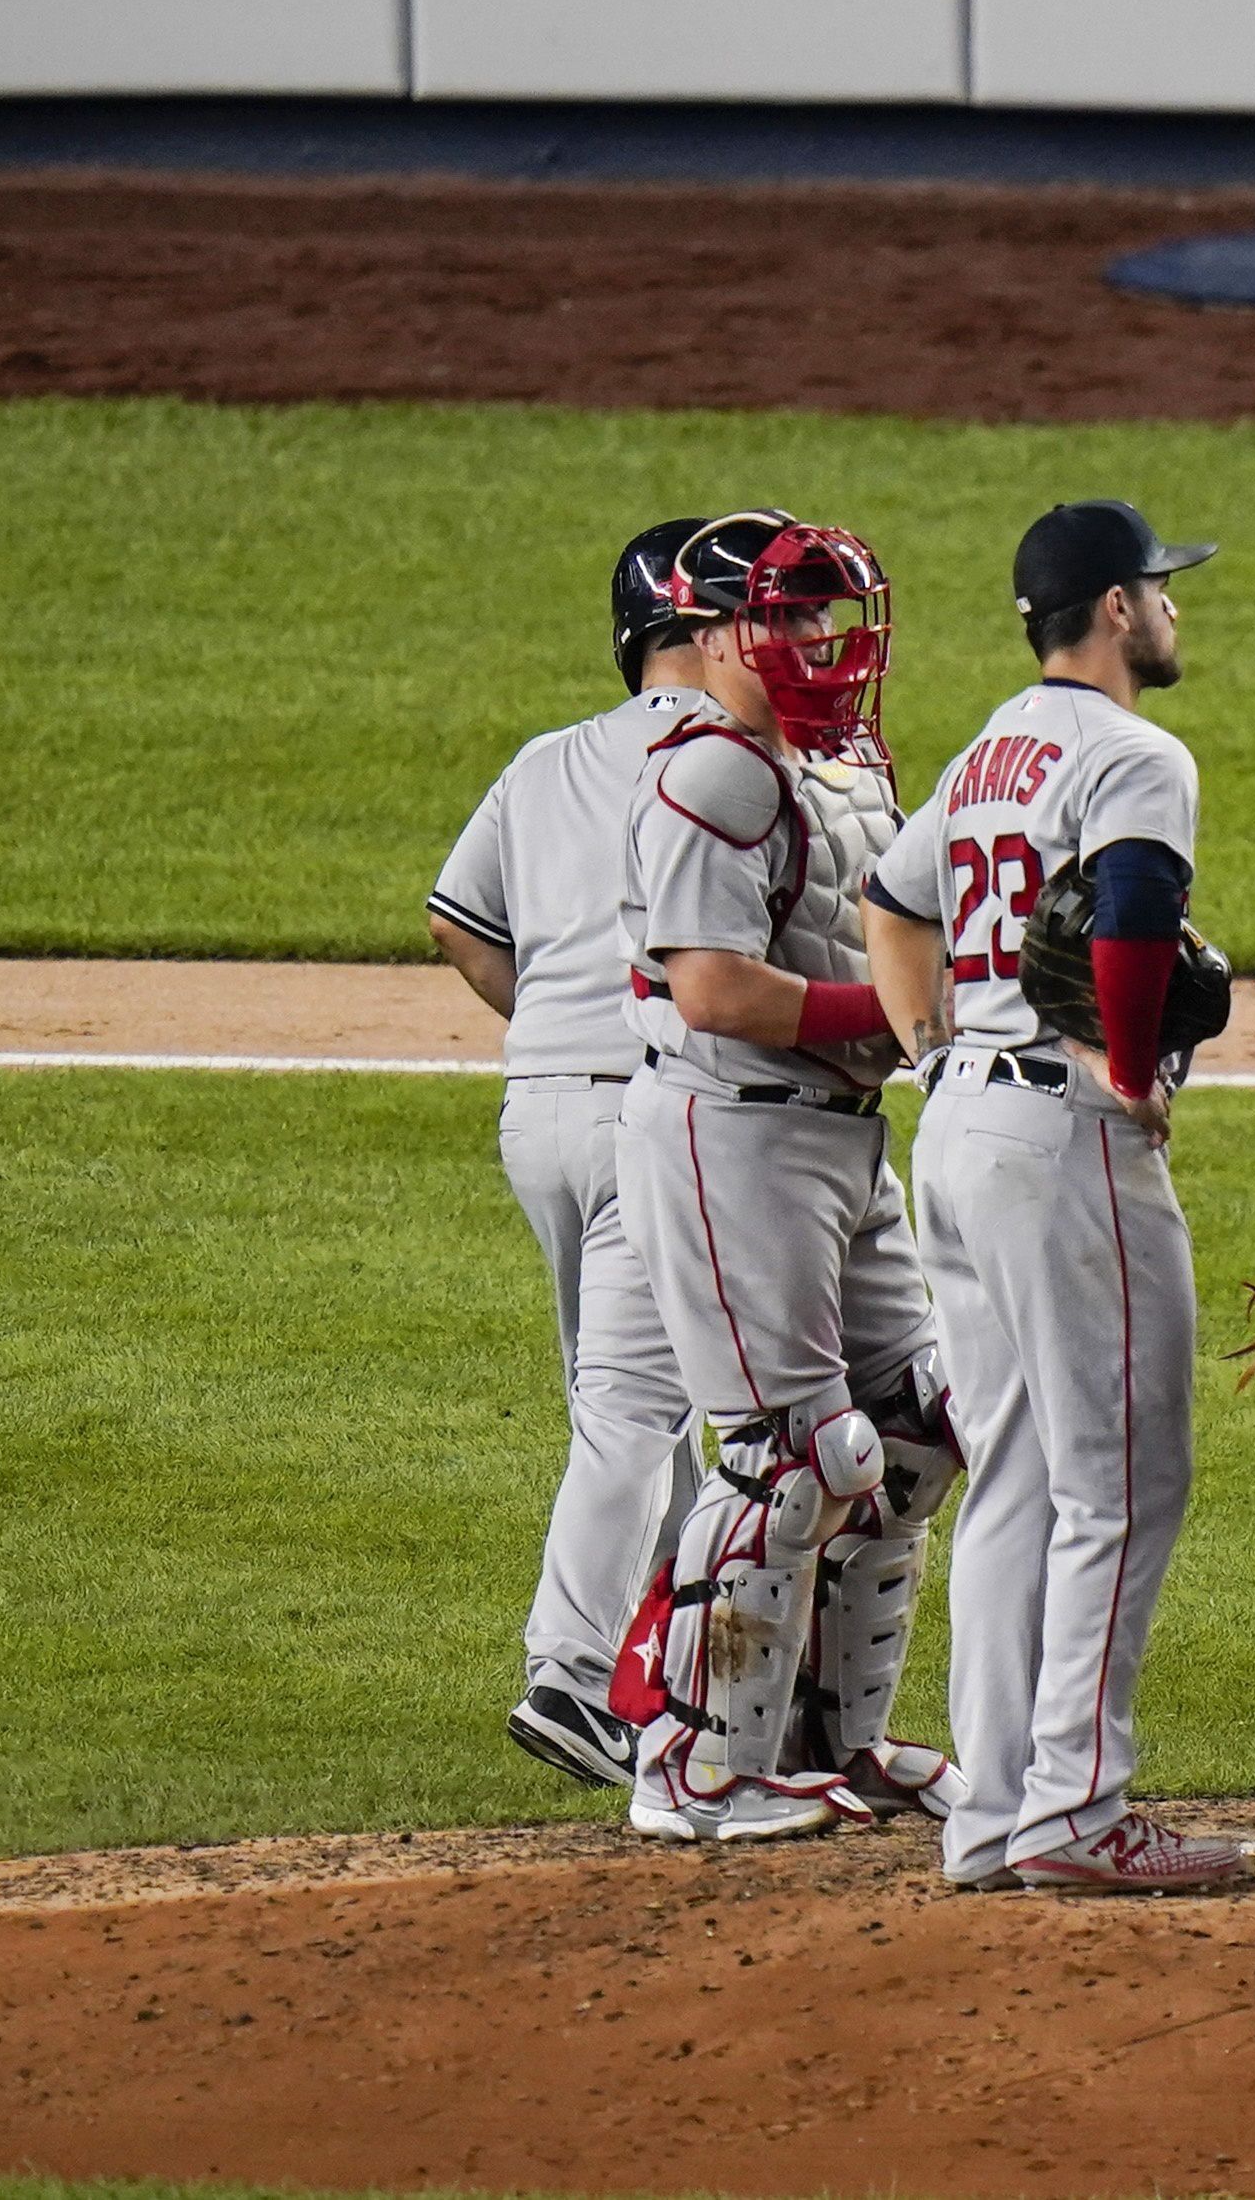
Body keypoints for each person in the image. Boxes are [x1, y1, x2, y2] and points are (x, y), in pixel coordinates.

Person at [863, 501, 1242, 1895]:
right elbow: (1136, 907)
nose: (1174, 613)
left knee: (1016, 1475)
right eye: (1161, 590)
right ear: (1114, 609)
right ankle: (1079, 1812)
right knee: (1125, 1480)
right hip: (1063, 1135)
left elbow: (889, 902)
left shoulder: (984, 751)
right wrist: (1135, 1069)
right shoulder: (1135, 752)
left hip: (961, 1124)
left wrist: (928, 1045)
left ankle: (995, 1814)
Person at [609, 509, 959, 1844]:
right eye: (783, 615)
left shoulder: (848, 773)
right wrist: (882, 1013)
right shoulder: (713, 776)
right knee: (793, 1460)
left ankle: (837, 1743)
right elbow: (709, 987)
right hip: (734, 1131)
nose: (815, 639)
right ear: (708, 638)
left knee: (917, 1431)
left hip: (841, 1136)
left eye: (824, 612)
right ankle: (694, 1772)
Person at [425, 519, 712, 1796]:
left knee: (629, 1407)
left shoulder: (545, 759)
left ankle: (678, 1676)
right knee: (635, 1412)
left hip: (534, 1107)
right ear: (699, 628)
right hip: (645, 1110)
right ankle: (573, 1672)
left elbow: (457, 919)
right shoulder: (735, 760)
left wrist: (553, 1024)